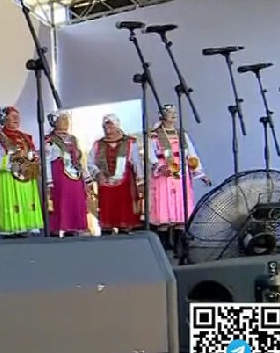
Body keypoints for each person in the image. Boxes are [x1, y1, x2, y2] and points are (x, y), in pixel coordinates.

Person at [149, 104, 211, 250]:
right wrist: (160, 167)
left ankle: (179, 247)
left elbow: (191, 154)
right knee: (164, 213)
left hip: (180, 173)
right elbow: (150, 155)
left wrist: (200, 173)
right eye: (170, 113)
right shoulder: (154, 135)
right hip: (164, 175)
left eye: (175, 113)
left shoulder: (182, 134)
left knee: (180, 213)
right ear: (163, 116)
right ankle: (163, 247)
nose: (174, 115)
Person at [0, 106, 44, 237]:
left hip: (25, 176)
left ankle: (24, 228)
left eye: (18, 116)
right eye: (13, 116)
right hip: (8, 177)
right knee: (11, 204)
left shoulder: (25, 137)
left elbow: (32, 154)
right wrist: (11, 159)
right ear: (4, 119)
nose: (16, 119)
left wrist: (32, 159)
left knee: (26, 203)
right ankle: (11, 230)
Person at [88, 114, 143, 234]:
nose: (108, 130)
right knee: (107, 214)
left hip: (125, 184)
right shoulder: (98, 144)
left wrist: (140, 181)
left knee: (124, 214)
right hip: (105, 185)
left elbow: (136, 162)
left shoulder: (130, 142)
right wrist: (98, 174)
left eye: (110, 126)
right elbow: (90, 162)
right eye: (105, 127)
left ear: (117, 126)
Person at [45, 110, 91, 236]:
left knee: (76, 200)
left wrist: (86, 176)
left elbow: (79, 159)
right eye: (62, 119)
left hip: (75, 176)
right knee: (61, 201)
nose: (65, 122)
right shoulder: (49, 139)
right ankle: (57, 229)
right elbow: (46, 160)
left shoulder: (73, 139)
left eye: (66, 119)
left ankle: (74, 228)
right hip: (59, 176)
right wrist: (48, 180)